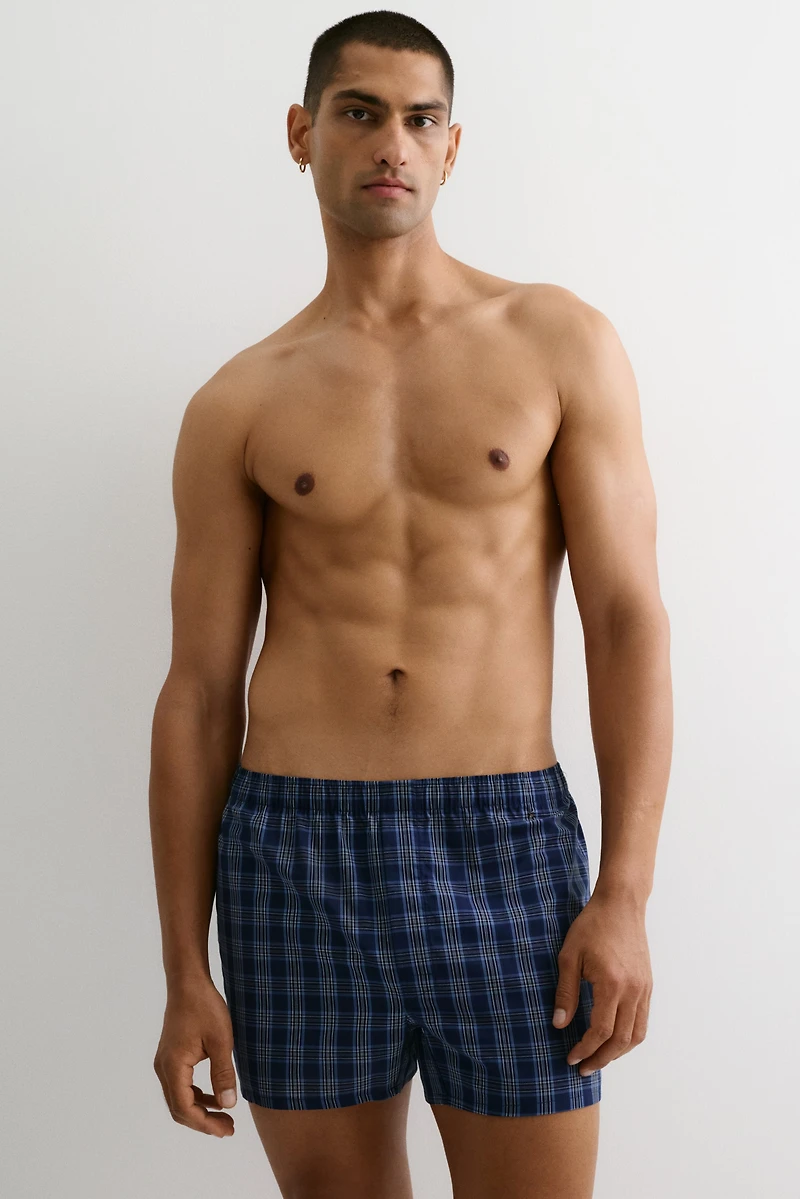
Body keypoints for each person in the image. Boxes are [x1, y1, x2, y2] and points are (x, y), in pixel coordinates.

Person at [150, 10, 672, 1198]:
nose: (392, 141)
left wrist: (624, 892)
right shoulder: (239, 400)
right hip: (292, 847)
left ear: (450, 147)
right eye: (359, 112)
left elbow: (625, 619)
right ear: (301, 133)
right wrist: (183, 965)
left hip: (503, 840)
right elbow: (197, 690)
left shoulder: (555, 341)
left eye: (419, 118)